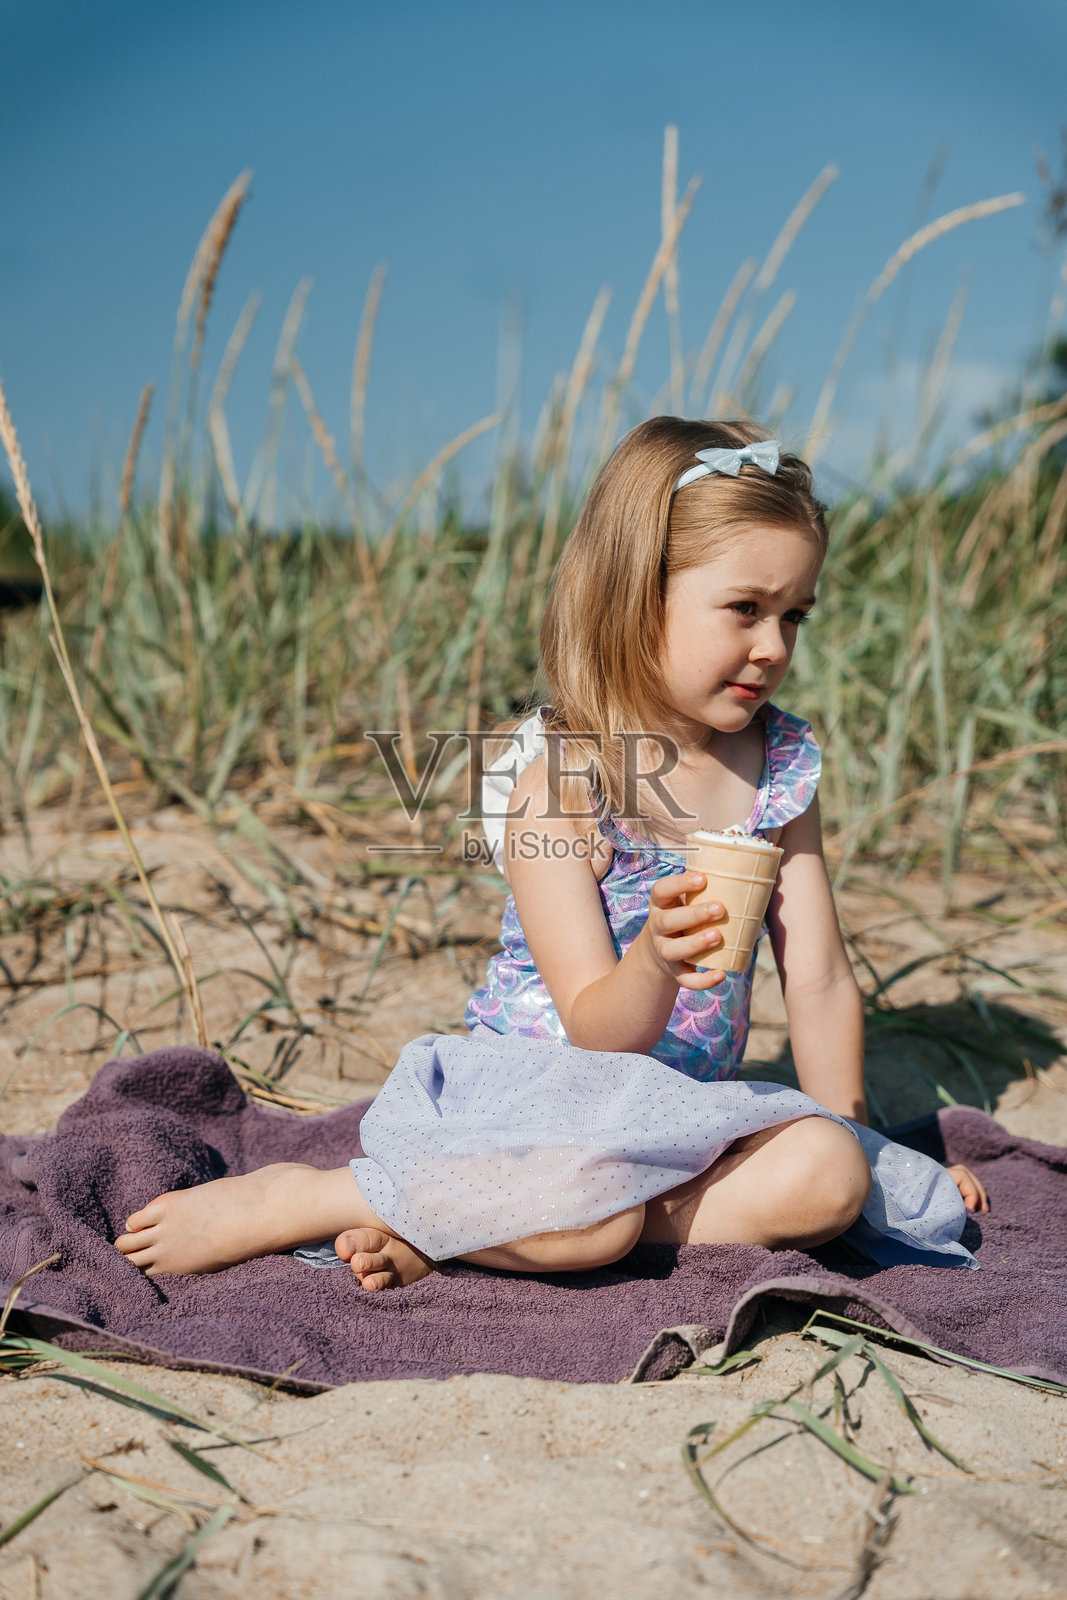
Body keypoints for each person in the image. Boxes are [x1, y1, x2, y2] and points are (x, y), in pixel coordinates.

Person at [114, 418, 988, 1289]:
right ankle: (317, 1197)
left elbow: (820, 977)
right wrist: (655, 956)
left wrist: (864, 1148)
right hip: (545, 1098)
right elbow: (596, 1028)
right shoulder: (563, 781)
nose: (773, 647)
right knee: (593, 1224)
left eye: (794, 615)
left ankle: (460, 1222)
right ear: (633, 596)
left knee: (824, 1178)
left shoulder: (782, 766)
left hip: (683, 1115)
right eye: (744, 609)